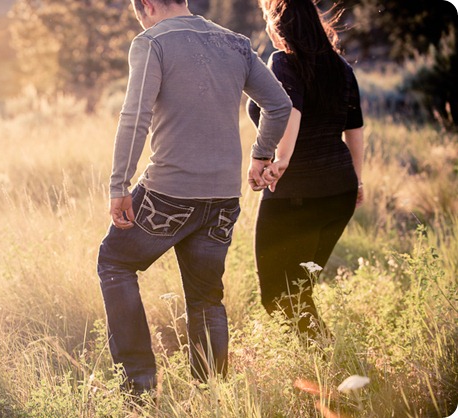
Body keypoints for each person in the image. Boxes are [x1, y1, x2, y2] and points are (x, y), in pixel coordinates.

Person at [97, 0, 292, 396]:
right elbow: (279, 104)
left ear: (147, 5)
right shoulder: (236, 43)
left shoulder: (152, 42)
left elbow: (135, 117)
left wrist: (120, 185)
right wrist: (262, 154)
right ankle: (213, 394)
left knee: (115, 262)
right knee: (206, 296)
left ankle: (138, 385)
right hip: (223, 198)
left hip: (169, 192)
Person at [248, 0, 365, 344]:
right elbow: (354, 129)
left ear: (279, 24)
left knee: (278, 296)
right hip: (339, 192)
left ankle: (327, 362)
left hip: (297, 194)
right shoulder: (341, 67)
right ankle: (325, 364)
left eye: (269, 19)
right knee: (299, 290)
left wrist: (279, 160)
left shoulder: (283, 62)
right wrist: (357, 181)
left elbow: (291, 112)